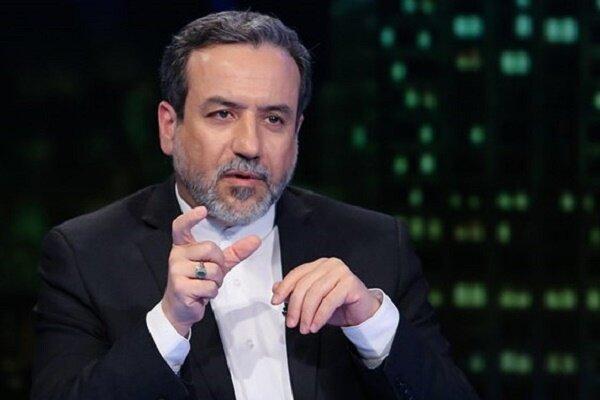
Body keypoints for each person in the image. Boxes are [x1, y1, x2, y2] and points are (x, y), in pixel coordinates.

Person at [32, 10, 479, 400]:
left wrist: (370, 323)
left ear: (297, 133)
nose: (250, 145)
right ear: (170, 126)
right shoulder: (86, 255)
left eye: (274, 119)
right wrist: (168, 324)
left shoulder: (376, 245)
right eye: (222, 114)